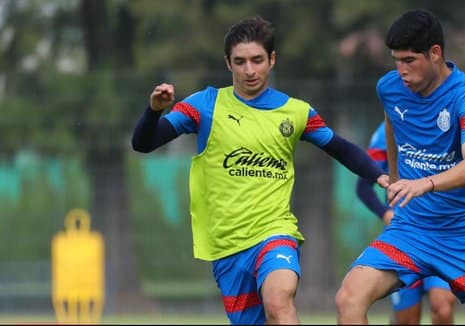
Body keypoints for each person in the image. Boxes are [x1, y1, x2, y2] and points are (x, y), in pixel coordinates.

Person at [131, 16, 389, 325]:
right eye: (240, 62)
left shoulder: (296, 112)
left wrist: (380, 176)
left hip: (275, 232)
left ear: (272, 60)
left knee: (279, 303)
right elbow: (144, 143)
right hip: (226, 245)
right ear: (228, 63)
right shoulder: (205, 105)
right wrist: (154, 111)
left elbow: (339, 147)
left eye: (257, 60)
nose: (249, 70)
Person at [336, 8, 465, 325]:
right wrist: (396, 178)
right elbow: (393, 122)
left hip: (463, 232)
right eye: (396, 60)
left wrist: (423, 183)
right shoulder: (390, 87)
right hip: (411, 230)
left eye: (409, 60)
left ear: (435, 53)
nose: (401, 71)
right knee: (349, 299)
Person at [356, 121, 456, 325]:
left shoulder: (445, 121)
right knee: (408, 320)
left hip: (440, 237)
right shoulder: (386, 131)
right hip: (404, 239)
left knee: (443, 307)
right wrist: (385, 214)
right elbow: (362, 186)